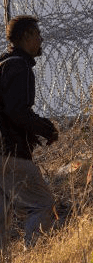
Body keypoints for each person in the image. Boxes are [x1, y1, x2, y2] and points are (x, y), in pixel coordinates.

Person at [0, 15, 59, 248]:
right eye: (37, 34)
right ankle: (34, 255)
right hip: (10, 152)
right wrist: (47, 129)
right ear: (26, 37)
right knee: (42, 205)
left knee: (2, 219)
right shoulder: (20, 66)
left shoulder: (3, 64)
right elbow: (17, 112)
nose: (41, 39)